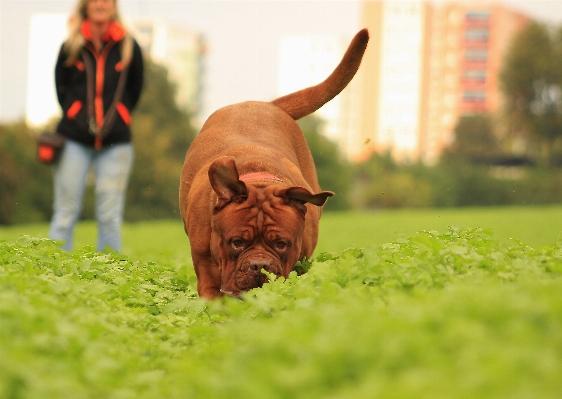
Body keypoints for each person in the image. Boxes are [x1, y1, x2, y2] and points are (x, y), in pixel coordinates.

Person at [49, 0, 144, 252]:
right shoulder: (71, 45)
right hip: (73, 140)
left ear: (114, 7)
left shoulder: (128, 45)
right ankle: (51, 270)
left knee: (109, 216)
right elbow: (61, 87)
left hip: (116, 142)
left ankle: (109, 275)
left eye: (107, 0)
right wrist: (75, 114)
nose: (100, 4)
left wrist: (120, 116)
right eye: (95, 0)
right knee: (65, 212)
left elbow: (135, 89)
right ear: (85, 7)